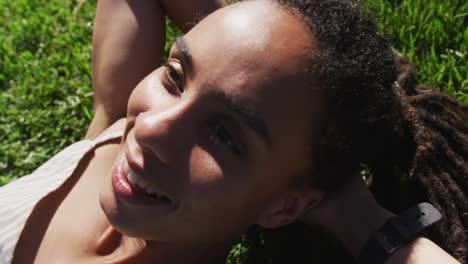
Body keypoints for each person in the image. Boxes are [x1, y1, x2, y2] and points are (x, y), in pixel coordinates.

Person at [0, 0, 466, 263]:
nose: (149, 128)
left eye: (224, 136)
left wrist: (361, 219)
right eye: (175, 76)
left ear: (287, 205)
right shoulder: (113, 134)